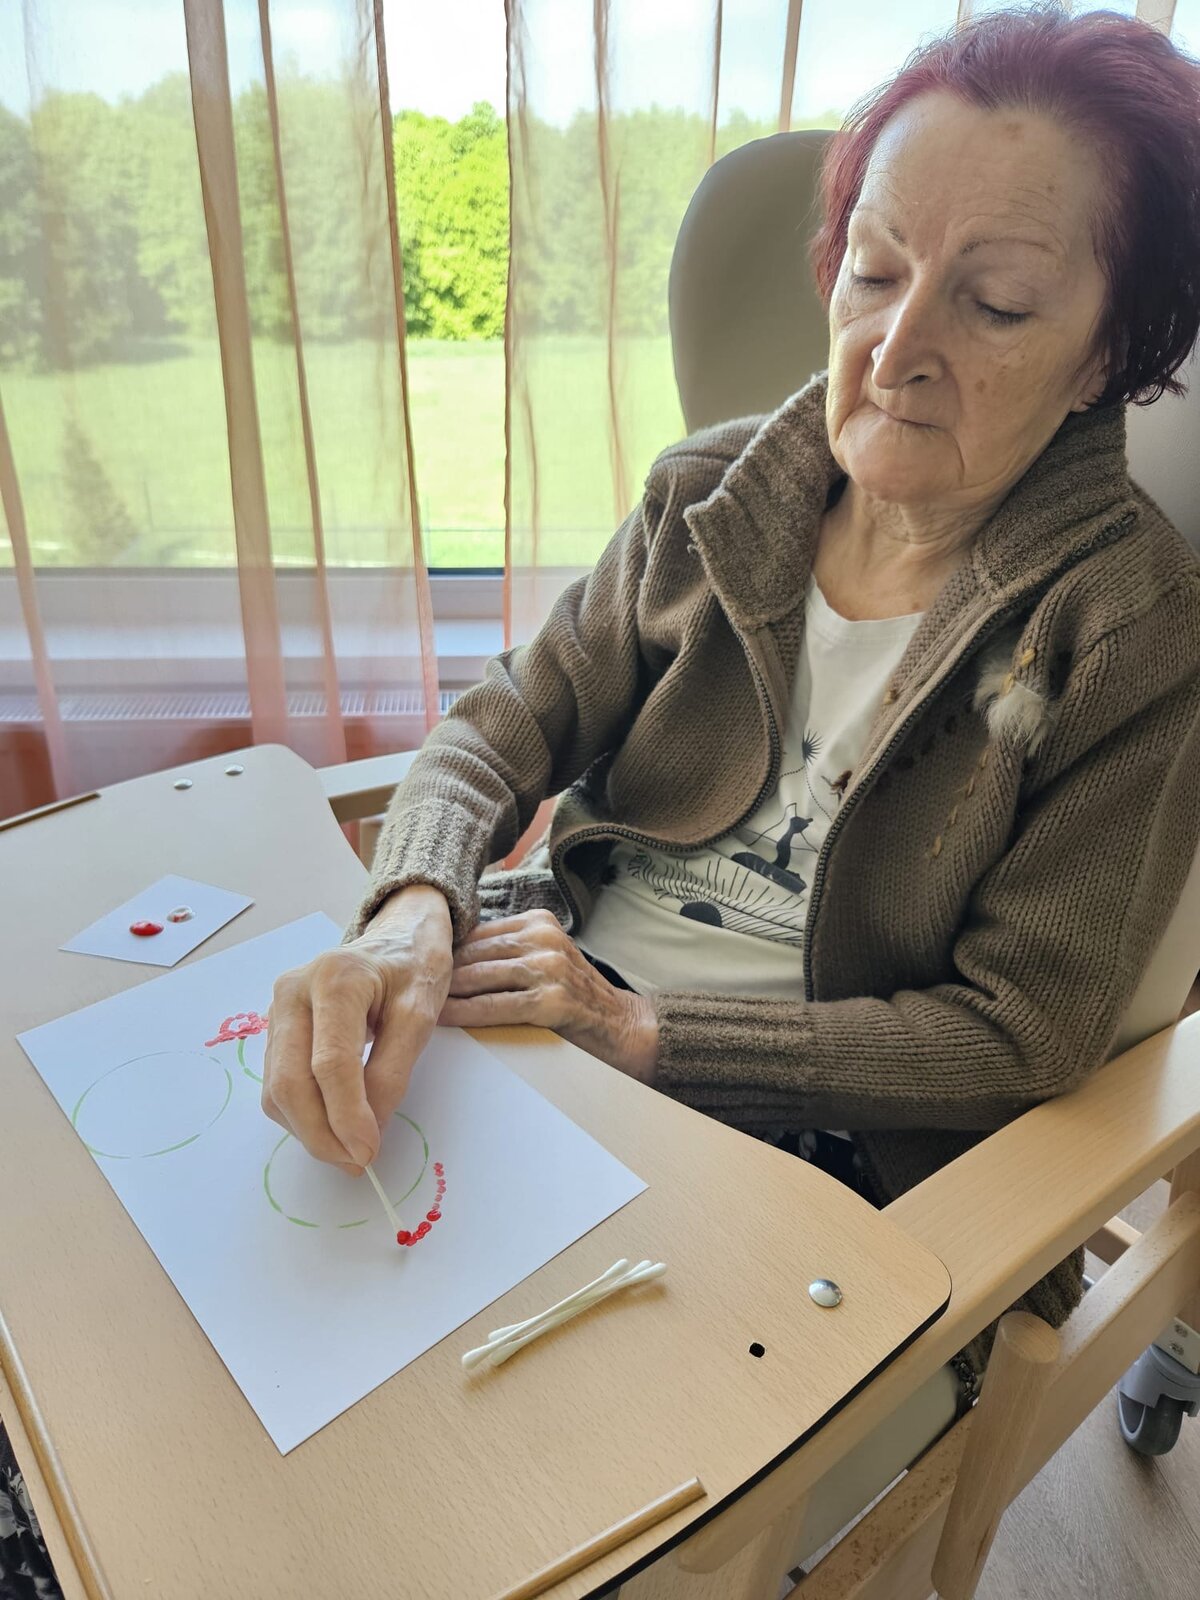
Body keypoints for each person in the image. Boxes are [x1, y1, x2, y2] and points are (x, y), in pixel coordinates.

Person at [260, 5, 1200, 1420]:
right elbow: (500, 723)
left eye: (997, 304)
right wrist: (411, 906)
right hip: (547, 1003)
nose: (893, 351)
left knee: (476, 1436)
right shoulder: (710, 499)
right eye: (874, 270)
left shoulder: (1129, 627)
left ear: (1105, 356)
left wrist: (649, 1034)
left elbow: (1022, 1031)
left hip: (833, 1143)